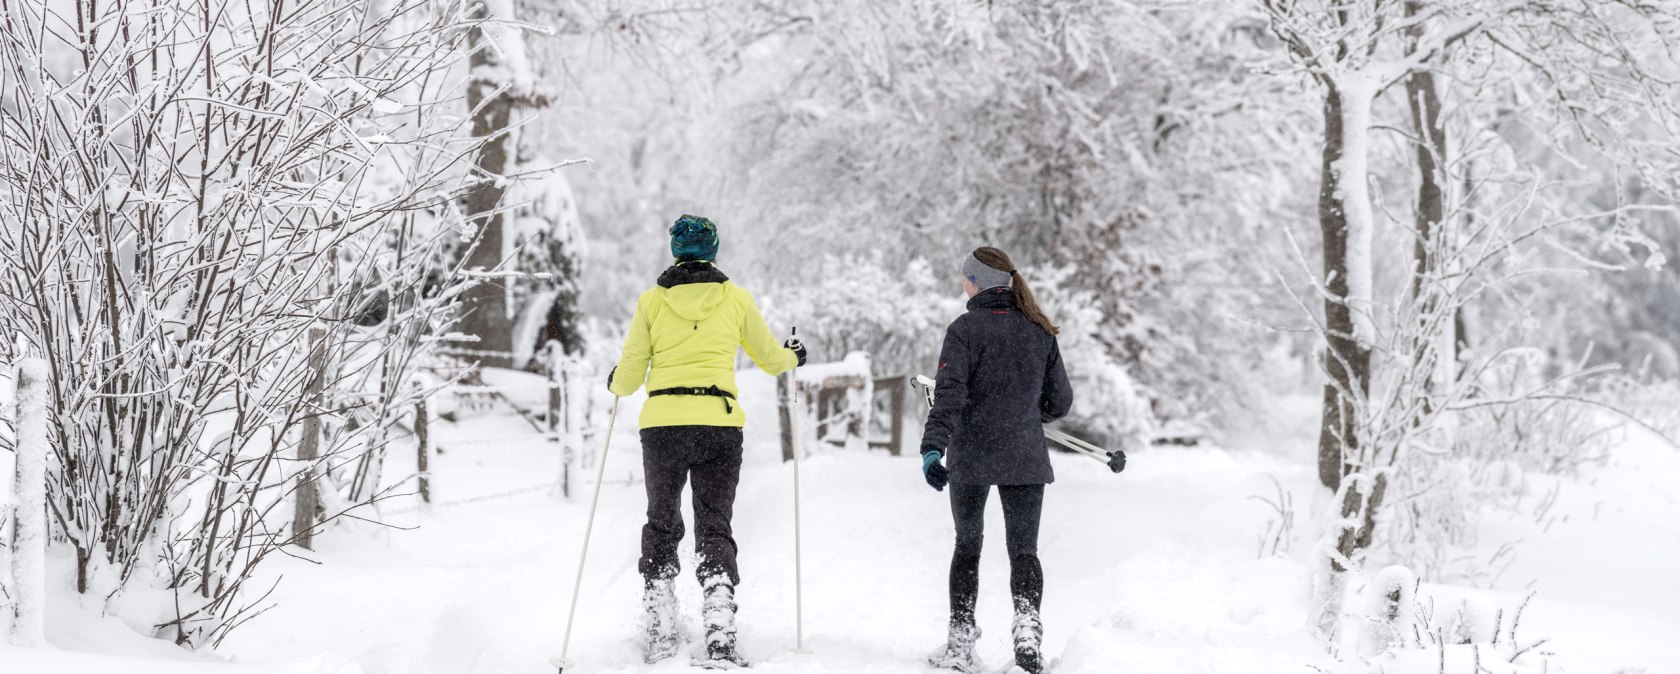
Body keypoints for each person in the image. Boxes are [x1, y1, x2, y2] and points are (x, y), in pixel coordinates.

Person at [607, 214, 807, 668]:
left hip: (662, 426)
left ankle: (659, 622)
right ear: (714, 251)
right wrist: (793, 353)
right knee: (714, 524)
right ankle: (719, 622)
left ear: (674, 251)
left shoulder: (651, 303)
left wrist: (615, 382)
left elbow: (630, 374)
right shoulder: (735, 299)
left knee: (662, 521)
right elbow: (773, 360)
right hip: (718, 424)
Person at [920, 246, 1073, 674]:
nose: (962, 285)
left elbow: (949, 397)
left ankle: (960, 645)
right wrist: (1022, 413)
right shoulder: (1040, 330)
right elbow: (1059, 401)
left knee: (967, 548)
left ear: (977, 282)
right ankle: (1027, 629)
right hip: (1025, 455)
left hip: (971, 456)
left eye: (965, 278)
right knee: (1024, 551)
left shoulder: (965, 329)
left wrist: (932, 448)